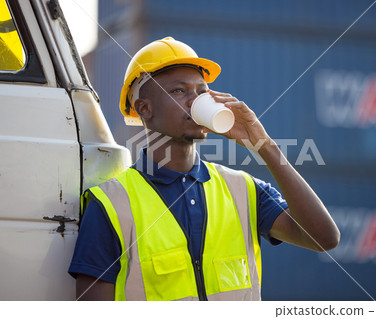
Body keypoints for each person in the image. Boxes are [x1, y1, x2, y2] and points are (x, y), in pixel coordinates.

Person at [68, 37, 340, 301]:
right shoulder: (110, 205)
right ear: (145, 109)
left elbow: (324, 239)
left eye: (201, 91)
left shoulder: (243, 190)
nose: (195, 101)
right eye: (179, 90)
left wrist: (265, 145)